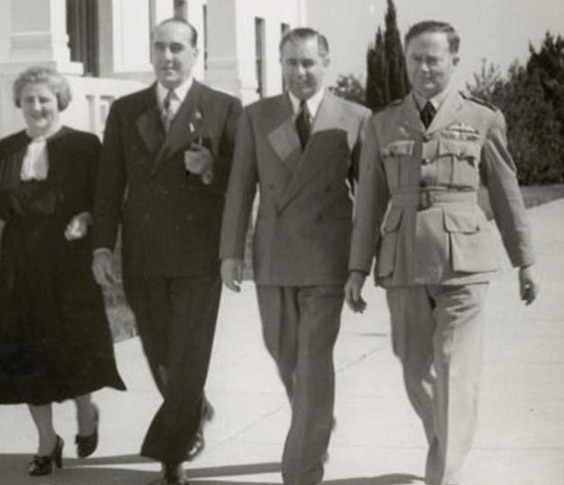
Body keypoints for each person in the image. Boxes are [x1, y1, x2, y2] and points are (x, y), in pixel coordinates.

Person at [344, 20, 539, 485]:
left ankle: (443, 475)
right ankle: (447, 442)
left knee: (453, 366)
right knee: (414, 369)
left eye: (434, 59)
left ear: (454, 60)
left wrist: (525, 260)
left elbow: (508, 193)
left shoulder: (482, 117)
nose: (424, 68)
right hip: (403, 259)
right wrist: (356, 268)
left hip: (464, 261)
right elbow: (369, 201)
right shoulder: (383, 121)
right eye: (416, 58)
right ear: (406, 61)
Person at [91, 17, 242, 485]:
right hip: (145, 252)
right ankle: (192, 405)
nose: (168, 57)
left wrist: (211, 167)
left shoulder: (223, 107)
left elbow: (243, 179)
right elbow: (109, 182)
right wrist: (101, 245)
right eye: (160, 47)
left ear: (195, 54)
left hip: (199, 254)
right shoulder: (126, 110)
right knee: (159, 350)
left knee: (190, 351)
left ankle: (171, 451)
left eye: (177, 48)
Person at [219, 27, 369, 485]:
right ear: (280, 65)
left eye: (308, 63)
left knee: (312, 361)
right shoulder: (256, 116)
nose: (299, 72)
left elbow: (369, 196)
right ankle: (317, 422)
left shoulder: (356, 116)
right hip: (274, 257)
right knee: (284, 355)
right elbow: (240, 188)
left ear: (325, 63)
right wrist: (230, 252)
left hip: (327, 258)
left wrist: (360, 266)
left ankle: (301, 468)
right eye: (290, 63)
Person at [0, 66, 126, 477]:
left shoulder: (85, 146)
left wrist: (87, 219)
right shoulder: (2, 151)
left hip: (69, 264)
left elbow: (105, 200)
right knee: (25, 355)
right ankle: (45, 440)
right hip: (20, 265)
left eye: (44, 99)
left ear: (59, 101)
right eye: (29, 99)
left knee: (73, 348)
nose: (36, 107)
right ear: (19, 103)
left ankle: (86, 411)